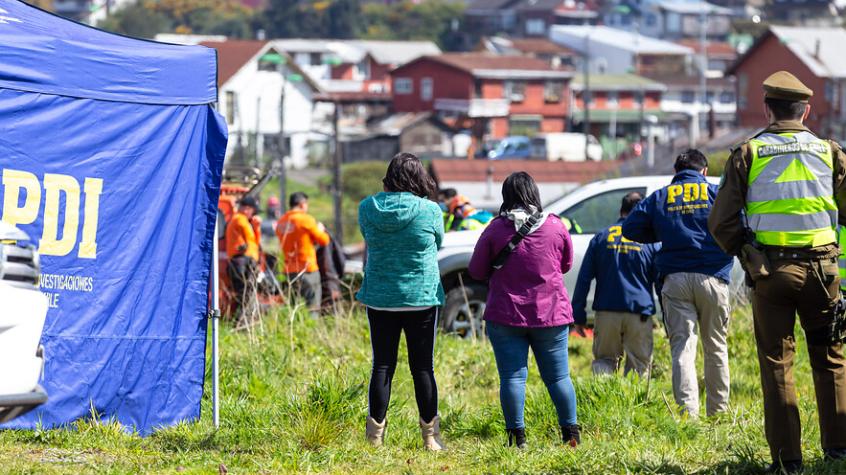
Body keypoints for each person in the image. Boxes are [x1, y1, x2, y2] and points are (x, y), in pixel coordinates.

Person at [709, 71, 846, 473]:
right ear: (805, 110)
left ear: (768, 109)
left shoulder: (748, 153)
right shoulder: (830, 152)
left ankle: (789, 461)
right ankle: (838, 451)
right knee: (831, 359)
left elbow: (721, 222)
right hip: (823, 272)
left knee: (776, 363)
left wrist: (746, 252)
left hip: (772, 272)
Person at [468, 172, 580, 450]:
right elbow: (566, 264)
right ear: (534, 193)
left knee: (512, 377)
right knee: (558, 377)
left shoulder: (495, 229)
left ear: (506, 196)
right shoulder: (555, 226)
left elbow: (476, 270)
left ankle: (516, 439)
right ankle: (571, 435)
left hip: (506, 314)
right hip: (550, 314)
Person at [622, 149, 733, 419]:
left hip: (674, 280)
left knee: (683, 346)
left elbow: (630, 228)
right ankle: (718, 413)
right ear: (704, 171)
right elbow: (738, 222)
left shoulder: (661, 196)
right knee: (715, 345)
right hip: (713, 276)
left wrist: (660, 233)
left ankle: (687, 415)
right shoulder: (715, 192)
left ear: (676, 172)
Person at [357, 152, 446, 451]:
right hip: (420, 297)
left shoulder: (367, 208)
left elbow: (369, 239)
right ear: (419, 177)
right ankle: (430, 438)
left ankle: (374, 438)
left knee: (382, 366)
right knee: (422, 368)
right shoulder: (430, 210)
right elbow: (438, 242)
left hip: (380, 298)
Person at [572, 192, 659, 377]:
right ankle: (635, 405)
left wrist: (578, 315)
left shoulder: (600, 238)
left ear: (621, 211)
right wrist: (667, 317)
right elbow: (660, 280)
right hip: (639, 313)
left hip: (606, 312)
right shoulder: (651, 242)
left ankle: (603, 404)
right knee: (639, 366)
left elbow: (584, 279)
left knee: (604, 362)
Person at [276, 192, 330, 313]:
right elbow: (324, 240)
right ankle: (312, 329)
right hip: (307, 269)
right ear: (302, 204)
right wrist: (321, 230)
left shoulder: (281, 222)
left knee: (293, 308)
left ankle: (292, 330)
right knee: (313, 306)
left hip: (289, 270)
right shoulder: (306, 220)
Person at [225, 196, 261, 322]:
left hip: (241, 261)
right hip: (243, 262)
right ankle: (242, 322)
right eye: (252, 211)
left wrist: (256, 227)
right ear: (247, 209)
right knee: (246, 292)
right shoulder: (240, 220)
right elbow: (252, 242)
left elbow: (253, 242)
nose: (253, 214)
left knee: (245, 292)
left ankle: (243, 320)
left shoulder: (238, 220)